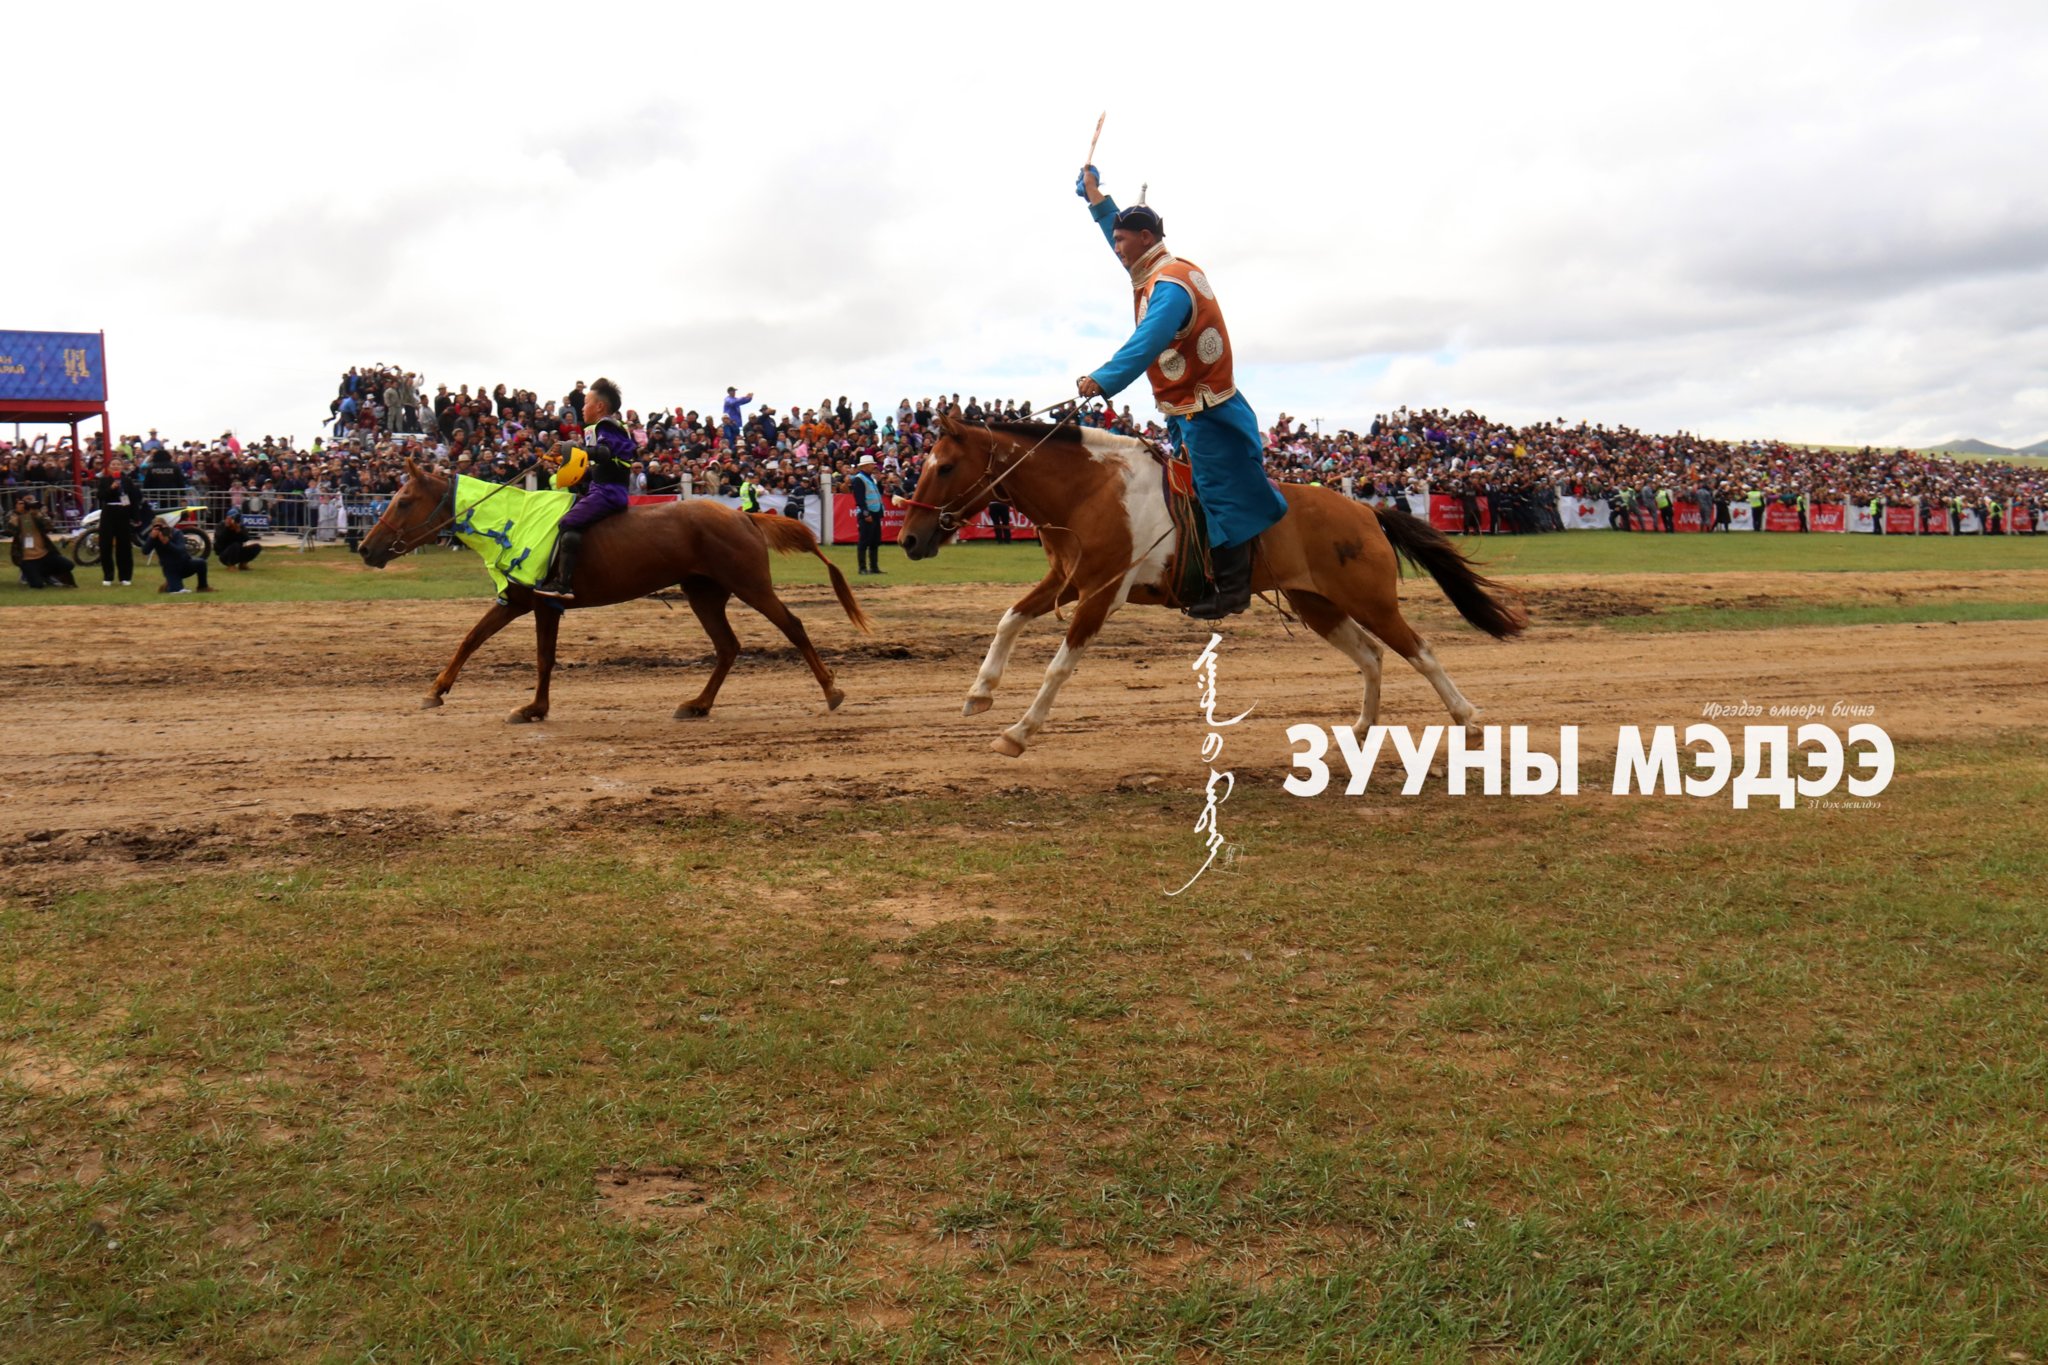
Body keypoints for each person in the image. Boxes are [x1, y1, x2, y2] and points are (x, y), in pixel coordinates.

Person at [1074, 163, 1287, 619]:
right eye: (1114, 240)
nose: (1117, 249)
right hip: (1186, 406)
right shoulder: (1155, 270)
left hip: (1206, 410)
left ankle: (1233, 590)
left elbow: (1146, 341)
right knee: (1186, 489)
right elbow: (1121, 234)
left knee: (1214, 490)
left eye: (1122, 241)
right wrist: (1096, 199)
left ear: (1146, 238)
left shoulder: (1169, 285)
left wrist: (1103, 379)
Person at [535, 377, 633, 601]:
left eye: (586, 402)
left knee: (568, 522)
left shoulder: (606, 425)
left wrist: (577, 449)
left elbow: (605, 453)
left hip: (609, 493)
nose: (582, 407)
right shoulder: (601, 428)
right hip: (602, 488)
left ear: (599, 406)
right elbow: (603, 465)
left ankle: (563, 584)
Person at [93, 456, 146, 586]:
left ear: (122, 467)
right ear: (109, 468)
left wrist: (136, 517)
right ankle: (108, 576)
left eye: (118, 464)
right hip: (108, 512)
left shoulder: (127, 481)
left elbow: (134, 499)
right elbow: (100, 496)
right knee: (105, 545)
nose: (116, 466)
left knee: (124, 546)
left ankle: (125, 576)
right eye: (113, 464)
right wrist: (111, 488)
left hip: (123, 513)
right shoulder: (104, 481)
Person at [8, 494, 78, 588]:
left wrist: (39, 514)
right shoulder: (14, 517)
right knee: (37, 585)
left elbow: (50, 526)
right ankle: (33, 575)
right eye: (23, 502)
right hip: (28, 559)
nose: (28, 506)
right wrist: (18, 513)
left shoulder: (37, 517)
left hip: (44, 555)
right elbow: (9, 529)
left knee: (68, 565)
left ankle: (46, 574)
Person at [139, 518, 214, 594]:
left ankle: (203, 587)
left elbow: (181, 551)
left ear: (167, 526)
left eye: (162, 527)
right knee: (176, 591)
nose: (160, 530)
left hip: (185, 564)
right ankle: (169, 585)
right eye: (157, 528)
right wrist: (151, 538)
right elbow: (145, 551)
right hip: (170, 568)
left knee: (201, 563)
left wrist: (167, 543)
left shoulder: (176, 533)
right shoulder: (154, 538)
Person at [849, 452, 885, 574]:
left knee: (875, 541)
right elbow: (859, 499)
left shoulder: (871, 479)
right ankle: (862, 568)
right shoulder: (859, 479)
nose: (873, 467)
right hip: (868, 513)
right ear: (864, 466)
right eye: (870, 465)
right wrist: (866, 513)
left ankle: (874, 567)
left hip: (874, 512)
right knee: (864, 541)